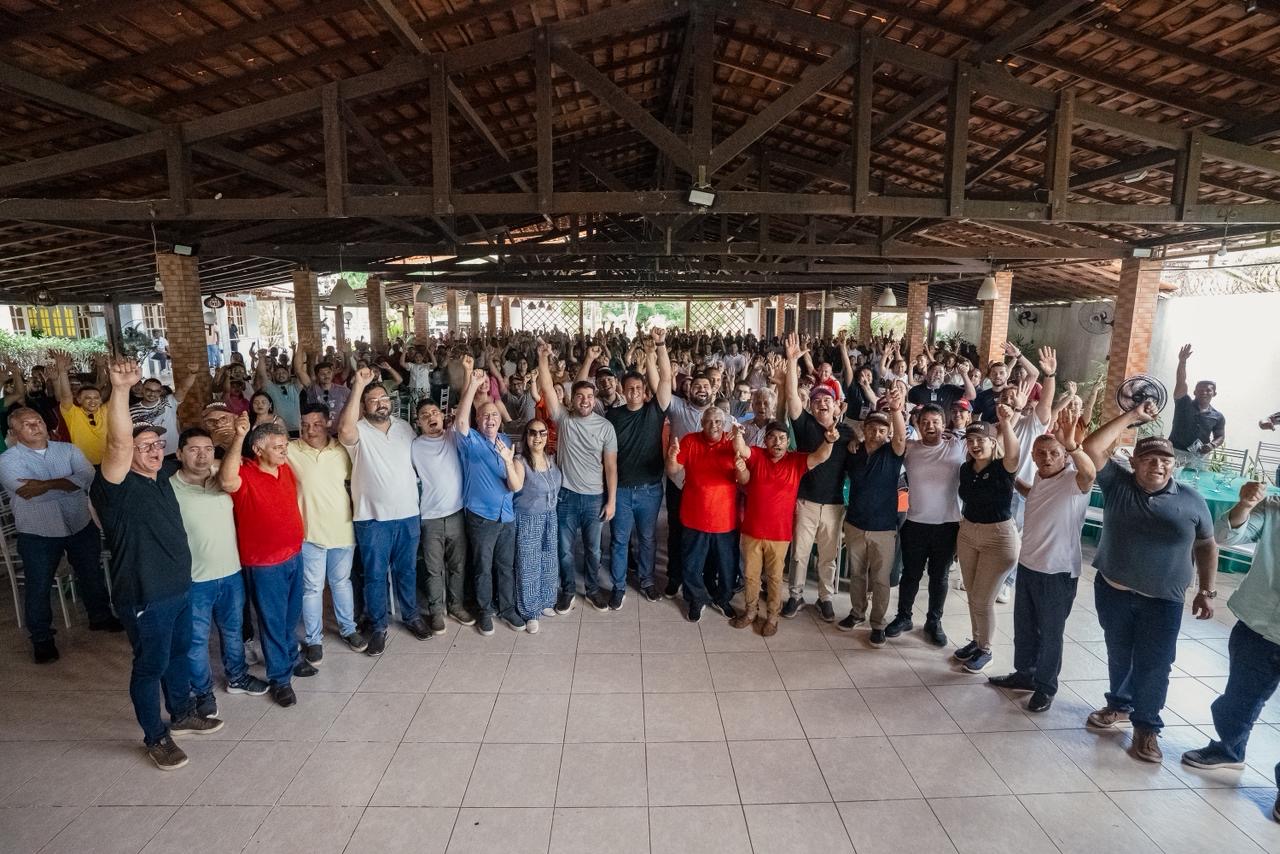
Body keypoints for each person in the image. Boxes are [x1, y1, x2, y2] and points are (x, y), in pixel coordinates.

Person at [92, 359, 220, 772]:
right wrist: (121, 389)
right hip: (145, 594)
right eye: (142, 444)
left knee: (179, 654)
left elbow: (202, 461)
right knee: (150, 666)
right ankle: (155, 735)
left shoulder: (160, 476)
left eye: (156, 444)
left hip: (179, 588)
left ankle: (181, 713)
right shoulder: (115, 485)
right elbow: (116, 446)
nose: (152, 449)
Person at [1081, 402, 1218, 763]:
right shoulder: (1118, 484)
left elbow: (1206, 544)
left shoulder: (1191, 500)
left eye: (1165, 460)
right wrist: (1130, 417)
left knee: (1156, 663)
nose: (1158, 465)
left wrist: (1206, 589)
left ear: (1174, 464)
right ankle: (1120, 705)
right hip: (1114, 589)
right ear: (1135, 462)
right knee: (1118, 653)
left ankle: (1147, 728)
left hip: (1164, 599)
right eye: (1150, 459)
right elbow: (1091, 447)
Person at [1182, 481, 1280, 818]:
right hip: (1258, 620)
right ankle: (1228, 748)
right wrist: (1245, 505)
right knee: (1238, 699)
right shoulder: (1274, 508)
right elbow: (1225, 535)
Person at [988, 410, 1096, 712]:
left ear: (1064, 456)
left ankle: (1046, 687)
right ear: (1034, 458)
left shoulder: (1075, 481)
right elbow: (1035, 494)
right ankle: (1025, 675)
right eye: (1041, 454)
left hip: (1057, 572)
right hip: (1029, 565)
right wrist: (1010, 478)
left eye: (1053, 453)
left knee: (1050, 634)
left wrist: (1074, 446)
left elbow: (1090, 474)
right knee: (1024, 627)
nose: (1046, 458)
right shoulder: (1040, 476)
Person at [0, 406, 116, 662]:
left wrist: (46, 486)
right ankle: (42, 639)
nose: (34, 425)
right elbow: (24, 491)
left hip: (79, 523)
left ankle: (100, 617)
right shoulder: (7, 460)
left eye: (38, 420)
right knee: (39, 585)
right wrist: (69, 485)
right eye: (26, 423)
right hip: (38, 531)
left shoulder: (69, 449)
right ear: (14, 432)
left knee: (91, 573)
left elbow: (88, 477)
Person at [169, 427, 269, 718]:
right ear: (179, 454)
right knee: (197, 640)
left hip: (231, 573)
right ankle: (202, 692)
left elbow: (233, 467)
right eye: (193, 450)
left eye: (208, 449)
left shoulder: (223, 482)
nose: (202, 456)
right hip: (194, 579)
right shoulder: (169, 488)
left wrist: (232, 444)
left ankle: (237, 677)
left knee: (233, 631)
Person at [219, 412, 315, 707]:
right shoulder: (245, 474)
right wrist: (239, 436)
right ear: (258, 449)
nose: (284, 451)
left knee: (289, 615)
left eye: (285, 446)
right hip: (264, 562)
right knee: (272, 620)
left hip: (292, 554)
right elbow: (225, 480)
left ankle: (290, 656)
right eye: (278, 447)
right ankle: (280, 678)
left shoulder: (284, 469)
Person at [339, 367, 431, 653]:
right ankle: (378, 626)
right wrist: (359, 386)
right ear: (364, 406)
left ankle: (411, 616)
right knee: (375, 574)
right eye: (373, 400)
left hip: (407, 514)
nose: (381, 403)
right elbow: (343, 429)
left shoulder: (404, 427)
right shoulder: (358, 432)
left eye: (384, 398)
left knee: (406, 570)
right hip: (372, 518)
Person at [731, 419, 834, 636]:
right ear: (765, 440)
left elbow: (821, 456)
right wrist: (738, 433)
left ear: (788, 442)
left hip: (779, 534)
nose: (777, 442)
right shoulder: (757, 455)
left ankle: (772, 617)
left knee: (775, 578)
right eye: (772, 437)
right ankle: (750, 612)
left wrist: (829, 440)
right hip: (751, 530)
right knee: (750, 575)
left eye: (782, 438)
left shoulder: (796, 461)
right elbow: (741, 449)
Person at [536, 341, 619, 611]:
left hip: (595, 497)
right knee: (565, 549)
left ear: (594, 400)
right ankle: (568, 590)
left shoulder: (606, 427)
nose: (584, 400)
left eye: (588, 397)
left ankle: (593, 589)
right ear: (572, 400)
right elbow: (548, 387)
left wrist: (612, 501)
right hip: (566, 496)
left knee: (594, 550)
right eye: (579, 396)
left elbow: (611, 467)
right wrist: (542, 358)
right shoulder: (564, 419)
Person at [782, 332, 855, 621]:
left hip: (835, 504)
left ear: (838, 406)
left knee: (829, 557)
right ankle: (796, 596)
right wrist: (791, 363)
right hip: (806, 501)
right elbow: (790, 398)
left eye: (828, 400)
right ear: (811, 406)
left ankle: (825, 597)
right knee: (800, 554)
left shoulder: (849, 434)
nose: (821, 403)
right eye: (816, 401)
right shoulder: (804, 427)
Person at [290, 404, 366, 659]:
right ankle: (313, 640)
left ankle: (348, 629)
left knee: (341, 584)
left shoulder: (342, 450)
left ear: (328, 423)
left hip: (342, 530)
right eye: (305, 425)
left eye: (317, 424)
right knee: (311, 589)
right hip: (309, 533)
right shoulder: (290, 450)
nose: (310, 430)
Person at [887, 403, 967, 647]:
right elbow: (898, 437)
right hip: (914, 522)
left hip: (947, 524)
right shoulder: (910, 448)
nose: (930, 426)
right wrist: (894, 409)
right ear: (918, 426)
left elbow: (990, 440)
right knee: (910, 574)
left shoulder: (958, 446)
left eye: (935, 422)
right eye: (925, 423)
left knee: (939, 577)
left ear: (944, 424)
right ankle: (904, 617)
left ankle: (934, 621)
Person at [455, 367, 524, 635]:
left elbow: (513, 484)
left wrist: (508, 461)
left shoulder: (506, 441)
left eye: (494, 415)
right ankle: (485, 611)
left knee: (505, 566)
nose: (490, 419)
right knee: (483, 567)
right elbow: (461, 421)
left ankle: (507, 608)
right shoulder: (470, 440)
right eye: (484, 416)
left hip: (506, 515)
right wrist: (472, 383)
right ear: (478, 420)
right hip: (481, 516)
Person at [605, 328, 672, 603]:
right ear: (622, 390)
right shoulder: (613, 415)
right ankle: (619, 586)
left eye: (638, 389)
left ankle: (646, 580)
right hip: (620, 490)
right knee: (620, 541)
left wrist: (660, 345)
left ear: (645, 392)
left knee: (647, 539)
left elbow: (666, 377)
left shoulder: (655, 410)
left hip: (650, 490)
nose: (633, 392)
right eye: (629, 388)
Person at [952, 411, 1021, 674]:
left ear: (994, 442)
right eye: (971, 440)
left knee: (983, 599)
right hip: (969, 532)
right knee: (972, 595)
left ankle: (987, 649)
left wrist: (1005, 421)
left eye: (982, 440)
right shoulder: (965, 469)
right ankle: (977, 641)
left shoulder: (1003, 468)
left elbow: (1013, 454)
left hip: (998, 538)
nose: (976, 445)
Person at [838, 397, 907, 647]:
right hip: (855, 523)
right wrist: (853, 443)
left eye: (881, 430)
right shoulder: (854, 452)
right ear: (863, 429)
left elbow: (900, 438)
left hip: (884, 528)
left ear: (887, 433)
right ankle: (857, 613)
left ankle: (878, 623)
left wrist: (897, 412)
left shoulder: (893, 452)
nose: (876, 433)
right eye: (871, 428)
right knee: (857, 574)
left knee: (880, 579)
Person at [666, 407, 740, 623]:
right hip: (694, 516)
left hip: (724, 519)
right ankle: (696, 599)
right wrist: (671, 456)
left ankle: (723, 598)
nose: (714, 425)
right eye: (709, 421)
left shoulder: (732, 442)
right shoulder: (690, 441)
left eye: (718, 421)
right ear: (701, 422)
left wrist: (740, 446)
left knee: (727, 566)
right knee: (691, 564)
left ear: (724, 423)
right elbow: (673, 470)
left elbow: (744, 474)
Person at [411, 398, 473, 631]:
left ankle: (456, 606)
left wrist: (470, 377)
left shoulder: (453, 437)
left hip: (457, 513)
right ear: (418, 423)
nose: (430, 417)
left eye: (434, 412)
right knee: (432, 568)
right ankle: (436, 611)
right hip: (430, 517)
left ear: (442, 416)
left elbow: (464, 416)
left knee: (458, 565)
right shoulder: (414, 446)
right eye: (425, 415)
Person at [662, 370, 720, 599]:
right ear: (689, 389)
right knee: (676, 531)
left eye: (706, 386)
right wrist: (659, 348)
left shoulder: (719, 415)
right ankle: (675, 576)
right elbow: (664, 385)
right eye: (697, 386)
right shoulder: (677, 407)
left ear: (713, 390)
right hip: (678, 482)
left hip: (706, 488)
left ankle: (706, 577)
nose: (702, 389)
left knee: (705, 534)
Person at [512, 419, 560, 632]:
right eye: (532, 433)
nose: (537, 437)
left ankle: (546, 601)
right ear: (526, 436)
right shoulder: (520, 462)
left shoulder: (551, 459)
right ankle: (530, 611)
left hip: (550, 516)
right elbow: (515, 486)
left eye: (541, 433)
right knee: (529, 565)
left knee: (549, 560)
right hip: (529, 519)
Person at [50, 351, 109, 466]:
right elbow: (65, 396)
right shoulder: (73, 412)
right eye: (87, 398)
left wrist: (103, 366)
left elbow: (111, 387)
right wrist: (62, 371)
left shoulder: (104, 410)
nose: (92, 401)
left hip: (107, 463)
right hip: (83, 465)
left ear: (101, 399)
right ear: (78, 399)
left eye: (96, 398)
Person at [1168, 343, 1225, 456]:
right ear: (1194, 392)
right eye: (1200, 390)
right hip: (1175, 451)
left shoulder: (1218, 416)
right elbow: (1181, 381)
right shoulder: (1183, 403)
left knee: (1197, 475)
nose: (1204, 392)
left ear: (1214, 394)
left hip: (1199, 457)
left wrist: (1211, 445)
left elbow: (1220, 436)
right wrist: (1182, 362)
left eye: (1208, 390)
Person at [129, 369, 198, 453]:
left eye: (156, 391)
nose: (152, 394)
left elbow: (184, 388)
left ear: (160, 392)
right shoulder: (132, 410)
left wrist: (192, 373)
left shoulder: (168, 401)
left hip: (173, 452)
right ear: (143, 389)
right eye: (149, 390)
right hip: (149, 453)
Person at [298, 351, 350, 433]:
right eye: (322, 374)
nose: (326, 376)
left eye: (328, 373)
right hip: (319, 433)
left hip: (339, 432)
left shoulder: (343, 390)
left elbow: (355, 407)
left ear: (332, 374)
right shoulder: (312, 389)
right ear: (317, 376)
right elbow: (299, 371)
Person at [257, 352, 303, 433]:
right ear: (274, 375)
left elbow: (299, 370)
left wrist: (300, 351)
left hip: (297, 428)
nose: (281, 375)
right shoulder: (270, 387)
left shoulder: (295, 387)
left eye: (283, 373)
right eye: (277, 373)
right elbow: (262, 374)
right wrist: (261, 358)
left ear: (288, 375)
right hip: (278, 428)